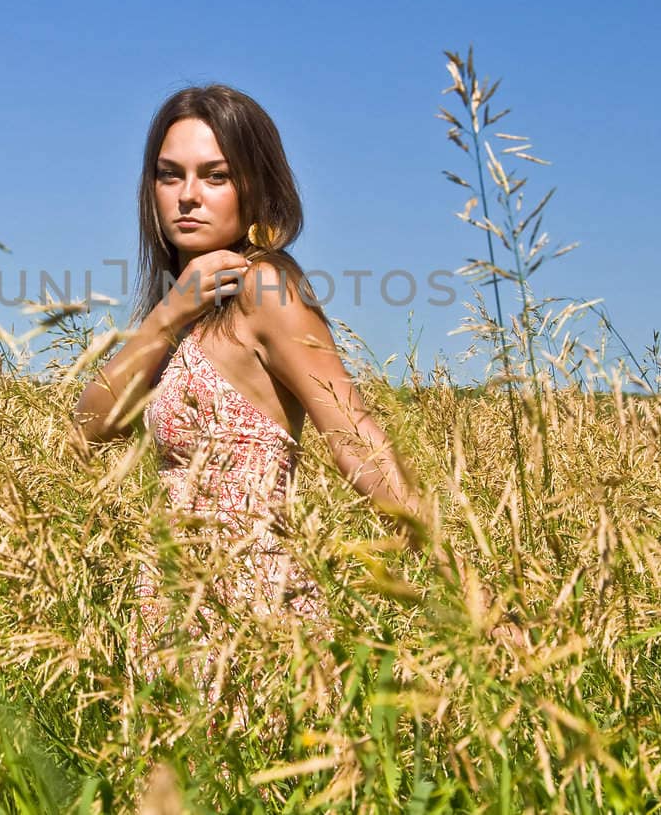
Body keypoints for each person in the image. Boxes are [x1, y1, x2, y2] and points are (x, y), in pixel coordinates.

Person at [71, 84, 432, 675]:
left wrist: (457, 578)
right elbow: (87, 428)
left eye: (215, 176)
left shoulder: (266, 290)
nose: (188, 196)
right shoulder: (180, 310)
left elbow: (353, 435)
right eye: (170, 176)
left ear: (254, 188)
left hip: (251, 616)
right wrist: (168, 314)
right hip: (168, 608)